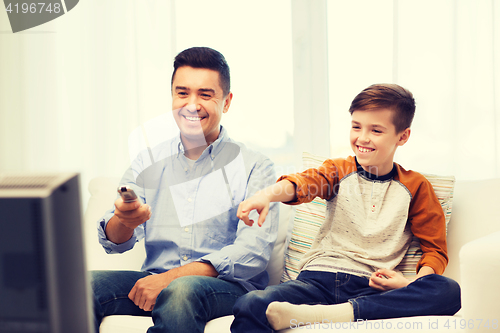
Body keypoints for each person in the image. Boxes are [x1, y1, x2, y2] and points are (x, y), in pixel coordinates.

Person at [231, 84, 461, 333]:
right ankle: (343, 312)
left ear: (402, 136)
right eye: (356, 126)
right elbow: (305, 183)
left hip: (372, 286)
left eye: (376, 130)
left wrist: (408, 283)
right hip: (317, 280)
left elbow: (435, 250)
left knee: (448, 290)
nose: (362, 137)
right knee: (250, 303)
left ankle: (330, 314)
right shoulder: (339, 170)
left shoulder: (416, 187)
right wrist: (266, 196)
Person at [91, 47, 279, 333]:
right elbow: (115, 239)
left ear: (226, 102)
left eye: (205, 95)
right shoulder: (148, 161)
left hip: (225, 289)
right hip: (155, 280)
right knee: (85, 288)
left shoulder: (256, 165)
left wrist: (171, 278)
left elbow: (252, 252)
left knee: (180, 291)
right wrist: (124, 221)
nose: (192, 104)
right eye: (182, 93)